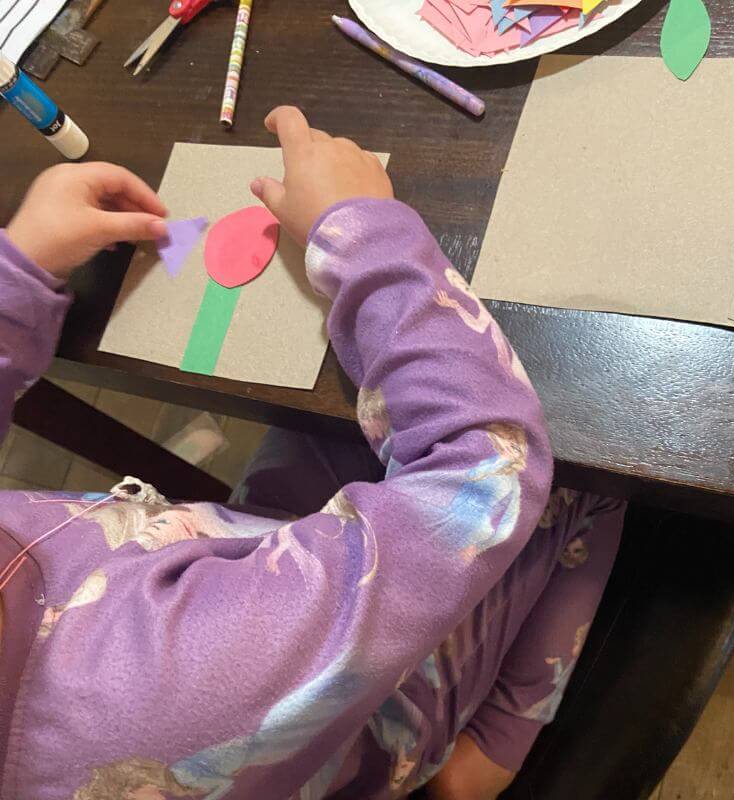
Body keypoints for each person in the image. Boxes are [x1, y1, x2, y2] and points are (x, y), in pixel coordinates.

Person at [0, 106, 625, 800]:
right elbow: (484, 473)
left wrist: (17, 269)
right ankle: (488, 753)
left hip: (232, 558)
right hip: (378, 704)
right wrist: (365, 235)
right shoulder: (159, 688)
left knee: (348, 407)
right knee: (587, 450)